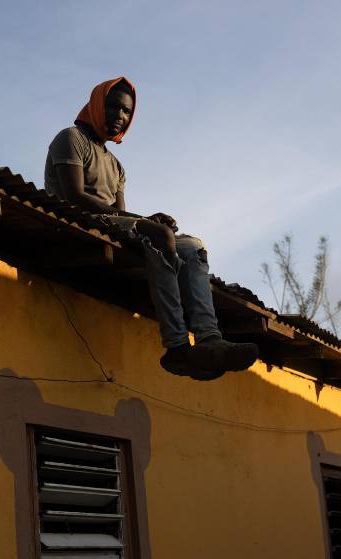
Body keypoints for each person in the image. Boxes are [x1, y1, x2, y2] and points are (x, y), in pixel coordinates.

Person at [44, 77, 259, 380]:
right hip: (77, 220)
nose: (120, 115)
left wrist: (148, 220)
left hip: (110, 223)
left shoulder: (117, 166)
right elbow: (74, 196)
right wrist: (148, 223)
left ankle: (210, 338)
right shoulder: (71, 138)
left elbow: (119, 215)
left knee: (193, 245)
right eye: (113, 106)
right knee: (160, 236)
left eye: (127, 112)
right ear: (96, 104)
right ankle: (177, 346)